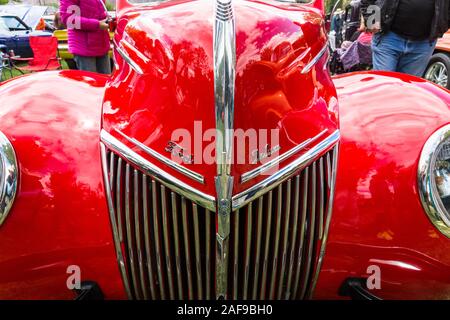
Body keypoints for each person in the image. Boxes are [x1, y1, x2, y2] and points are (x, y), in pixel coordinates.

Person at [360, 0, 450, 77]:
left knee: (407, 90)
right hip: (388, 37)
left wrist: (442, 25)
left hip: (423, 45)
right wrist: (371, 22)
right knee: (383, 87)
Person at [60, 0, 111, 74]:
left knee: (106, 82)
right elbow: (70, 20)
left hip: (101, 45)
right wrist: (97, 24)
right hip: (84, 48)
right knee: (90, 82)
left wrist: (106, 20)